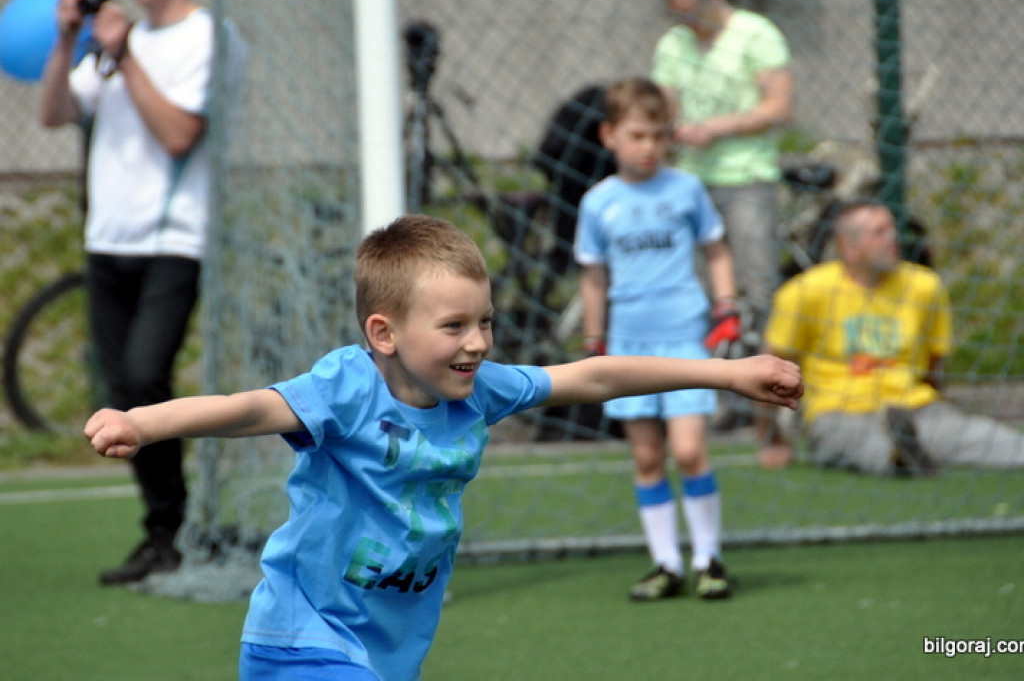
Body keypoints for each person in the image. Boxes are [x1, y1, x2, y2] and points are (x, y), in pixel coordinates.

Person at [85, 214, 803, 681]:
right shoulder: (345, 389)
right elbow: (246, 408)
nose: (478, 342)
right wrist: (145, 423)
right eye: (455, 326)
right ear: (384, 333)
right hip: (307, 634)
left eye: (484, 322)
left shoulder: (481, 390)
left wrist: (730, 373)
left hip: (390, 644)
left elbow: (595, 375)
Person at [39, 0, 245, 585]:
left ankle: (173, 529)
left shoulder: (205, 38)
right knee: (123, 385)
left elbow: (181, 133)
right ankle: (162, 530)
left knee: (143, 379)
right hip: (108, 243)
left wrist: (125, 57)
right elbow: (53, 113)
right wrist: (70, 38)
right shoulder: (110, 43)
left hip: (172, 241)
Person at [573, 78, 742, 601]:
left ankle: (708, 558)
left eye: (659, 135)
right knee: (648, 458)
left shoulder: (686, 189)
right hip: (628, 345)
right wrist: (595, 340)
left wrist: (727, 307)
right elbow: (594, 276)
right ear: (610, 136)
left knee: (689, 451)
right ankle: (665, 563)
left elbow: (716, 250)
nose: (649, 146)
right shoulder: (599, 202)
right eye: (638, 134)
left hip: (686, 339)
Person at [760, 199, 1024, 474]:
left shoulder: (924, 286)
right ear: (850, 248)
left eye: (893, 229)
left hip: (915, 407)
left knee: (984, 437)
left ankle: (908, 452)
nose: (893, 238)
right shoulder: (805, 291)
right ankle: (900, 459)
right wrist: (772, 440)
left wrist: (932, 402)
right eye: (879, 232)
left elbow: (935, 365)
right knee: (852, 442)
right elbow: (769, 369)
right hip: (839, 411)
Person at [651, 0, 794, 374]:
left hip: (748, 177)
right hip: (693, 181)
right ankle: (711, 383)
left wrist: (717, 127)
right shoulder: (674, 44)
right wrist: (669, 127)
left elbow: (780, 106)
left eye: (693, 14)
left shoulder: (756, 33)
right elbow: (664, 106)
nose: (688, 25)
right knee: (698, 289)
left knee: (756, 285)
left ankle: (766, 382)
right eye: (680, 17)